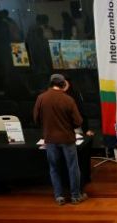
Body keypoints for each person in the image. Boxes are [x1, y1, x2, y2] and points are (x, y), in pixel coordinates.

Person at [33, 74, 85, 205]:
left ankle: (59, 196)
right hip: (67, 139)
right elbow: (78, 121)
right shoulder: (68, 100)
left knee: (54, 168)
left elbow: (36, 119)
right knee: (72, 167)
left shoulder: (41, 98)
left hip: (50, 139)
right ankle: (75, 196)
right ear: (63, 85)